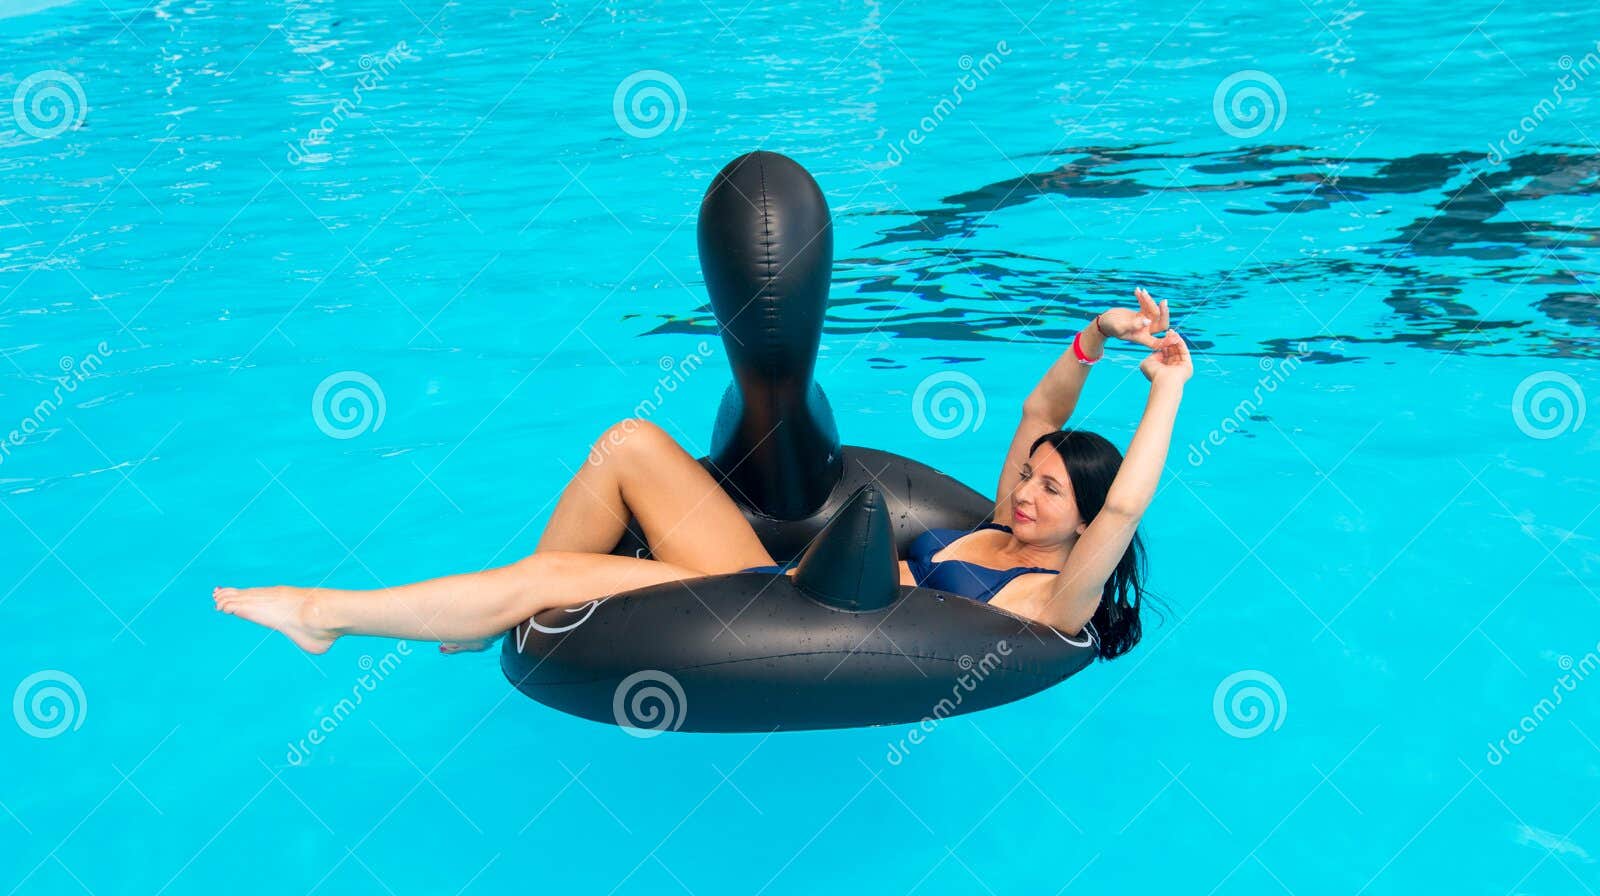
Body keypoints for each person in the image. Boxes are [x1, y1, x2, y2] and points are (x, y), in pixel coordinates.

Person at [213, 288, 1190, 661]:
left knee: (547, 582)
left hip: (779, 612)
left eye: (1051, 492)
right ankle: (489, 623)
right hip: (773, 589)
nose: (1025, 489)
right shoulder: (999, 516)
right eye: (1032, 478)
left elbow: (1131, 500)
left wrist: (1168, 389)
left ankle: (325, 614)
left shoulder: (1057, 594)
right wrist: (1098, 335)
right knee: (632, 441)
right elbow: (1039, 413)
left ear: (1085, 525)